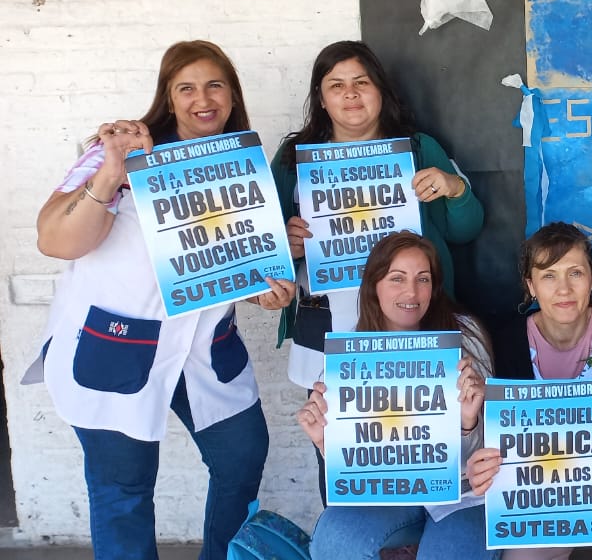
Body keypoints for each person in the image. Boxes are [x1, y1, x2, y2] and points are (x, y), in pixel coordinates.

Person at [30, 40, 296, 560]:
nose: (204, 98)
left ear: (233, 95)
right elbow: (54, 240)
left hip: (206, 350)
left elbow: (228, 269)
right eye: (186, 88)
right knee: (124, 491)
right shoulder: (117, 155)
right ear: (168, 98)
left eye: (215, 85)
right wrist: (113, 172)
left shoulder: (242, 168)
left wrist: (264, 294)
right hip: (118, 346)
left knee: (242, 459)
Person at [271, 40, 484, 391]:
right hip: (328, 328)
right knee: (332, 421)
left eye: (362, 82)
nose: (350, 93)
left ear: (381, 90)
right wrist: (286, 247)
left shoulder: (419, 149)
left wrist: (455, 189)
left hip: (413, 320)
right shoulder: (292, 159)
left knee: (420, 416)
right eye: (336, 85)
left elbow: (465, 230)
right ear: (321, 99)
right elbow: (266, 249)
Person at [465, 221, 592, 560]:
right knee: (519, 554)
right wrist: (484, 467)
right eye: (549, 276)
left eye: (575, 273)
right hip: (537, 490)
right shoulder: (508, 341)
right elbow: (503, 439)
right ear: (531, 286)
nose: (564, 289)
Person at [296, 230, 494, 560]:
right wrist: (324, 442)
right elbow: (354, 463)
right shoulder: (350, 355)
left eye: (423, 279)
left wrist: (468, 422)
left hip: (462, 493)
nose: (411, 292)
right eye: (397, 278)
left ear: (435, 286)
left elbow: (489, 454)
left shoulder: (465, 337)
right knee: (333, 539)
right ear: (374, 285)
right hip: (389, 494)